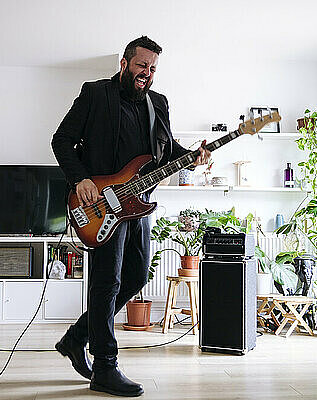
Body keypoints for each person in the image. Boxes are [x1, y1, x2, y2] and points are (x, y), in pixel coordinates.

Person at [51, 36, 210, 397]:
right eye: (142, 66)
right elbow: (61, 140)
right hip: (101, 206)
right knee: (106, 281)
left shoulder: (158, 103)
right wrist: (80, 179)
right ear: (124, 63)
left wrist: (194, 156)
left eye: (153, 69)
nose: (147, 74)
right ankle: (105, 366)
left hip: (138, 206)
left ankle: (76, 338)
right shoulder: (95, 93)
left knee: (137, 276)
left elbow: (166, 151)